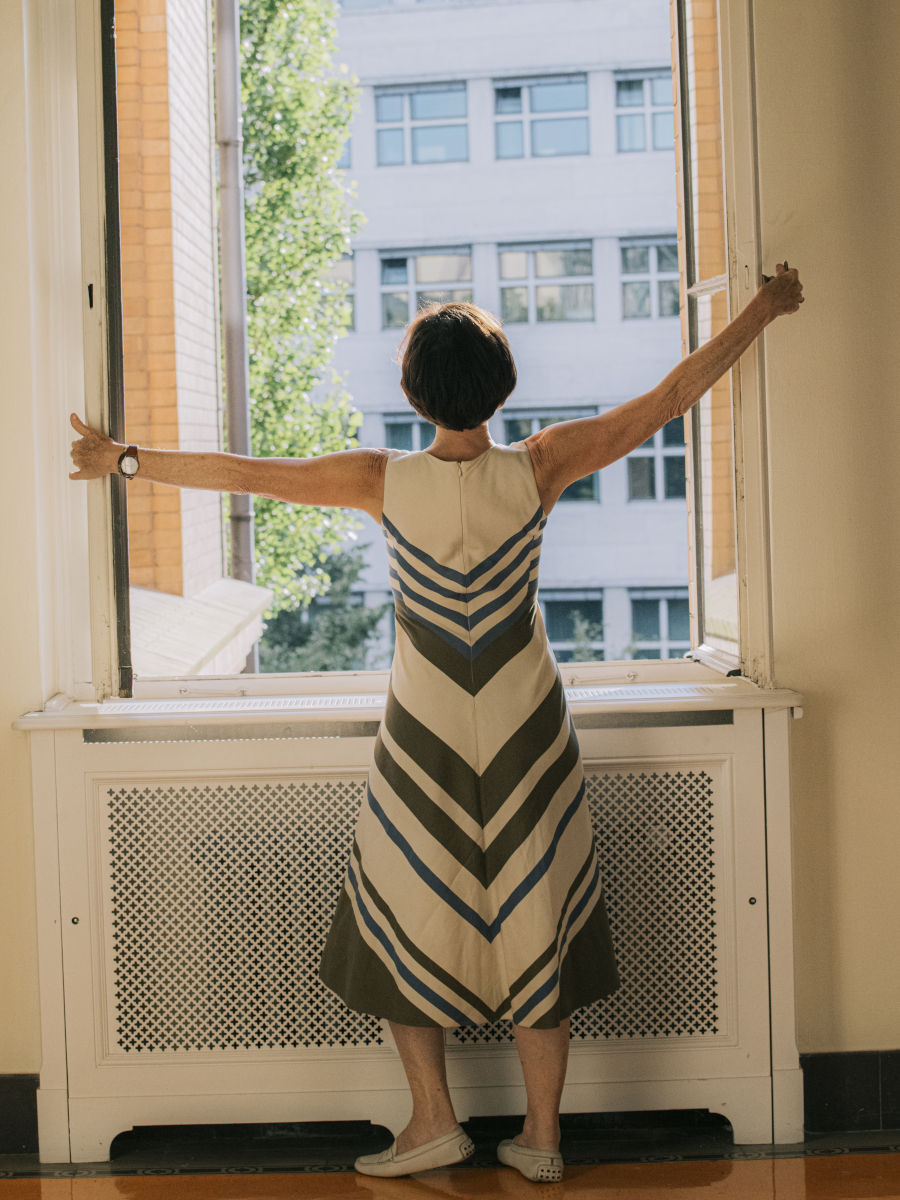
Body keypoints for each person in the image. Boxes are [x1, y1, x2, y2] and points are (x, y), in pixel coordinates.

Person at [70, 263, 803, 1183]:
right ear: (501, 386)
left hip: (421, 735)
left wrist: (122, 460)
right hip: (530, 727)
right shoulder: (542, 465)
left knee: (400, 911)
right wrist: (763, 310)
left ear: (414, 392)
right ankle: (541, 1138)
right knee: (539, 914)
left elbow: (241, 474)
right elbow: (669, 399)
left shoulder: (379, 479)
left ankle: (433, 1122)